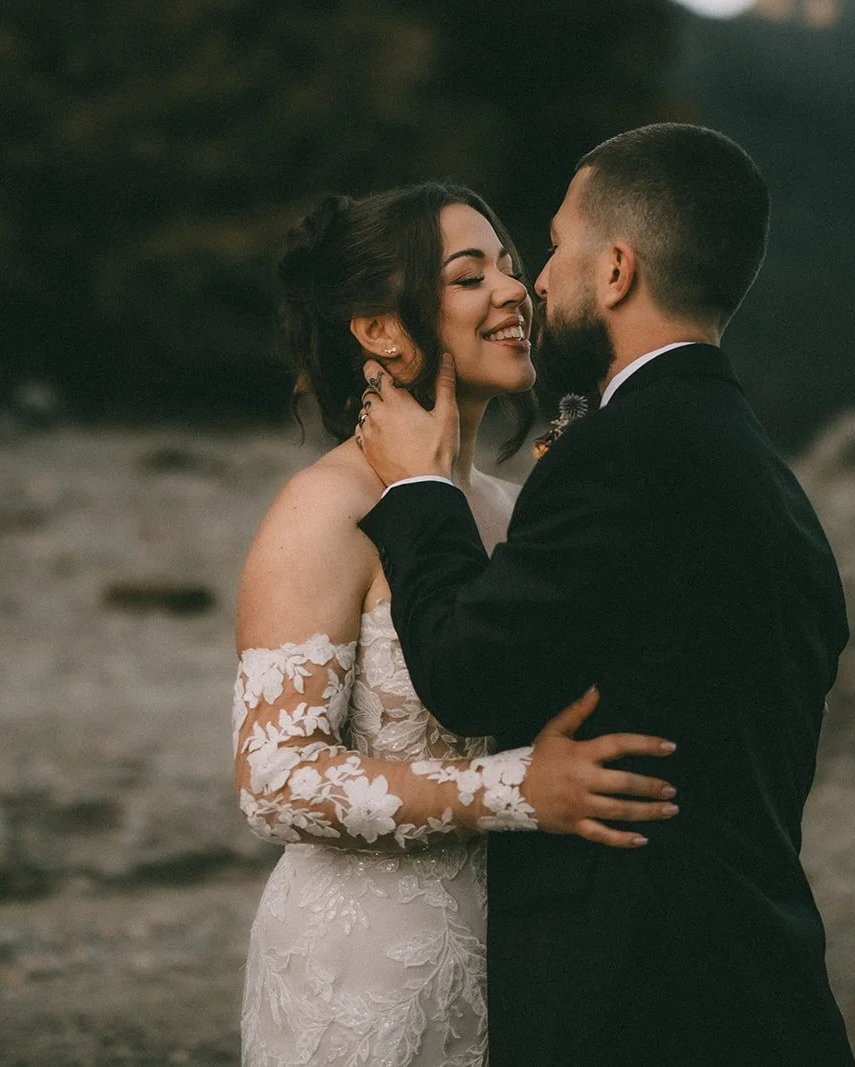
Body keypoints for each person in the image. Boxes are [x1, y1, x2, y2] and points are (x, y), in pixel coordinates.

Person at [355, 124, 855, 1065]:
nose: (535, 283)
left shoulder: (623, 453)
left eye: (553, 246)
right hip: (763, 973)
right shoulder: (772, 480)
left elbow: (465, 671)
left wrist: (420, 491)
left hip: (637, 997)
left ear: (616, 269)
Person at [234, 183, 680, 1067]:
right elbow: (273, 779)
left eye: (513, 268)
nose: (515, 291)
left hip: (519, 957)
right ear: (380, 329)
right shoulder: (326, 510)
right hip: (365, 972)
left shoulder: (518, 511)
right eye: (471, 276)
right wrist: (519, 792)